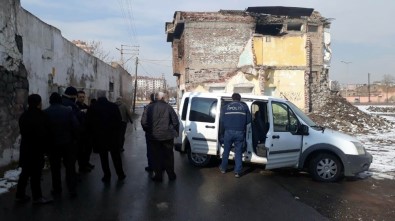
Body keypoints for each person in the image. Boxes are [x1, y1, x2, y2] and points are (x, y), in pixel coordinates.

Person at [16, 94, 53, 204]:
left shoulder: (24, 116)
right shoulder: (42, 116)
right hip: (37, 149)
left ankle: (20, 194)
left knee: (25, 173)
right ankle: (37, 197)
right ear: (38, 103)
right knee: (36, 175)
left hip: (26, 149)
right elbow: (46, 133)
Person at [45, 92, 79, 197]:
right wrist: (74, 139)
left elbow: (44, 131)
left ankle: (57, 190)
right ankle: (72, 189)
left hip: (53, 145)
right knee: (70, 167)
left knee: (55, 168)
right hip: (68, 143)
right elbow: (76, 126)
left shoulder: (45, 112)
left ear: (50, 101)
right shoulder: (68, 111)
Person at [86, 91, 126, 182]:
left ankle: (107, 176)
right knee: (116, 156)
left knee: (103, 158)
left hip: (99, 138)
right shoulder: (113, 106)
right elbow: (119, 120)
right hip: (113, 137)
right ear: (106, 96)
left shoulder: (92, 107)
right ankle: (120, 174)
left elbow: (88, 123)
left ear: (97, 97)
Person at [141, 92, 179, 182]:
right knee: (168, 156)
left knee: (156, 156)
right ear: (162, 98)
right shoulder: (168, 107)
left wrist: (149, 131)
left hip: (154, 137)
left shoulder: (149, 107)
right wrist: (175, 132)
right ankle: (171, 175)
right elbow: (176, 121)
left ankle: (158, 176)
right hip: (168, 136)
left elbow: (143, 122)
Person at [219, 93, 251, 178]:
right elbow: (248, 121)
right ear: (240, 99)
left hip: (228, 132)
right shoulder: (244, 107)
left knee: (226, 151)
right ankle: (237, 172)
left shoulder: (226, 107)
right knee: (238, 152)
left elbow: (221, 121)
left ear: (232, 98)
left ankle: (223, 169)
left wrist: (222, 132)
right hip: (240, 132)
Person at [76, 90, 94, 172]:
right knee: (81, 151)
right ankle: (82, 166)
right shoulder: (76, 106)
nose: (82, 98)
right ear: (77, 97)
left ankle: (86, 163)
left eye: (83, 97)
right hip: (80, 133)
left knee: (88, 149)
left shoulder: (86, 106)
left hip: (88, 132)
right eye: (80, 97)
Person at [142, 93, 155, 172]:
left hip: (150, 133)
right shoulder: (165, 106)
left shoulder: (148, 107)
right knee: (160, 150)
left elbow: (143, 122)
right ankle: (162, 166)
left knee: (150, 150)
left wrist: (147, 130)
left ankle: (151, 166)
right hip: (162, 134)